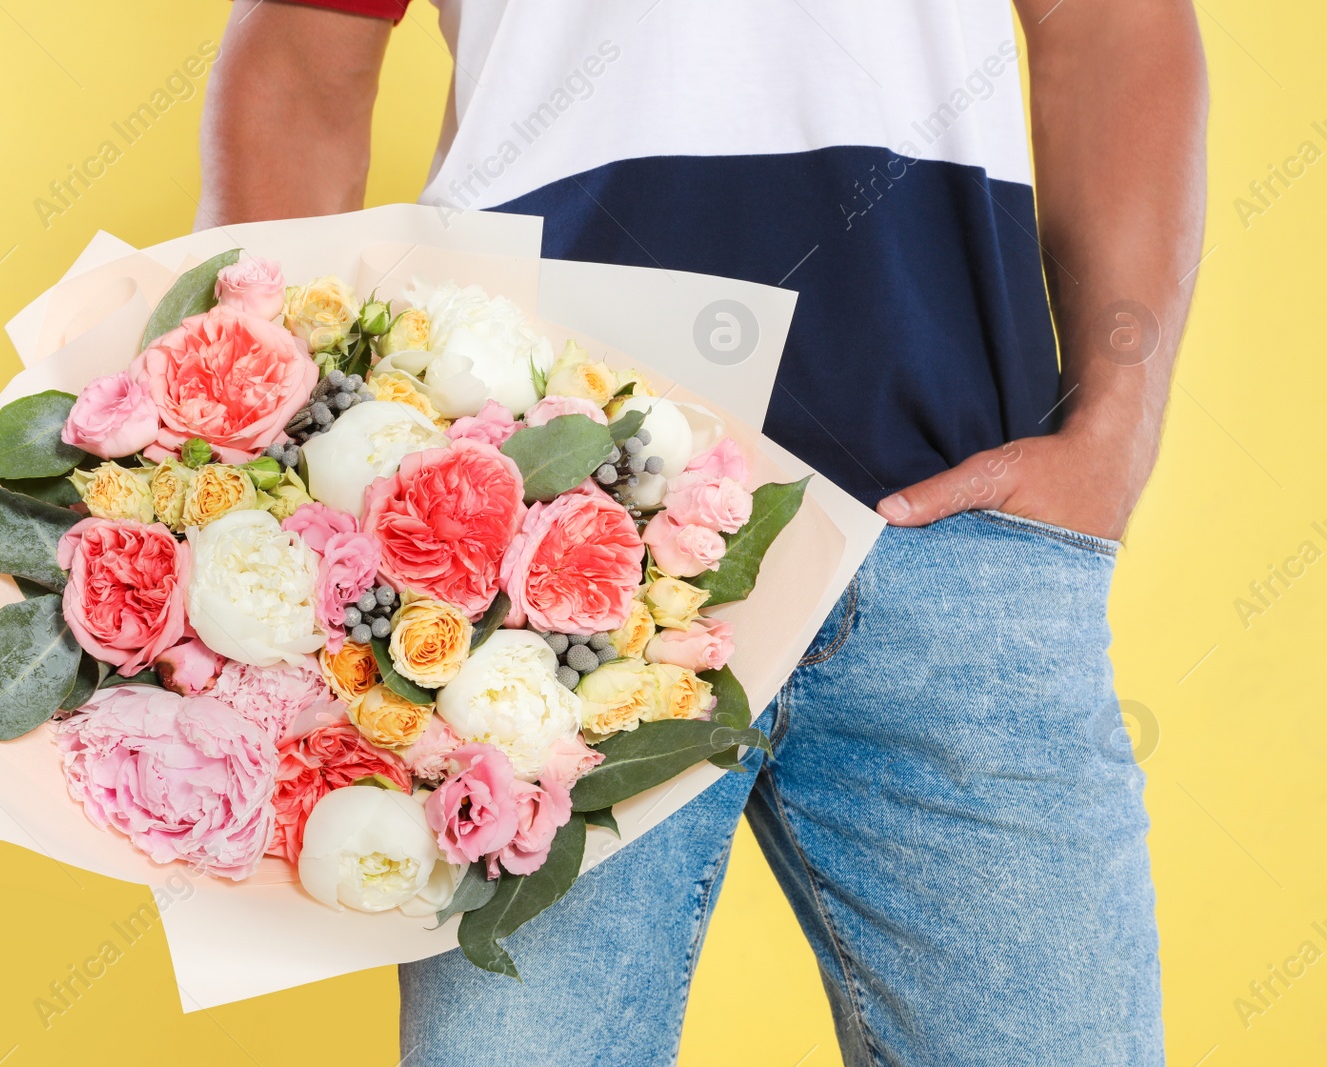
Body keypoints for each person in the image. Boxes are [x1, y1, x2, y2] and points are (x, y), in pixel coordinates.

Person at [198, 1, 1207, 1063]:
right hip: (539, 558)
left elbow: (1114, 24)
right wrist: (277, 457)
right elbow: (303, 48)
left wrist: (1116, 431)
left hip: (955, 536)